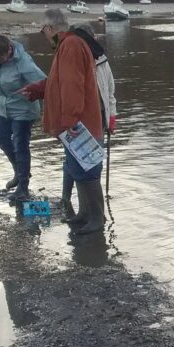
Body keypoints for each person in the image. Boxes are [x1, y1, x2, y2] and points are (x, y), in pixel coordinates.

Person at [18, 8, 105, 235]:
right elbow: (59, 83)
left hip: (80, 125)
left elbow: (72, 85)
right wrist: (38, 90)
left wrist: (69, 121)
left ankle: (97, 218)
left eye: (43, 31)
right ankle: (85, 214)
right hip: (77, 123)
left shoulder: (71, 46)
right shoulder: (68, 45)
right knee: (78, 170)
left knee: (87, 171)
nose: (44, 35)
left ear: (49, 28)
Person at [58, 21, 116, 222]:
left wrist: (112, 118)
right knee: (76, 164)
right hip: (77, 119)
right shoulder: (73, 57)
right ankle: (84, 212)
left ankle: (93, 215)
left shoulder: (101, 61)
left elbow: (110, 92)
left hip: (96, 119)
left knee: (90, 166)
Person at [0, 34, 46, 201]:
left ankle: (23, 186)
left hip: (23, 109)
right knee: (0, 139)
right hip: (2, 107)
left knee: (20, 144)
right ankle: (19, 170)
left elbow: (45, 83)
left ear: (9, 50)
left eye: (1, 60)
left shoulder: (23, 62)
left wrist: (32, 90)